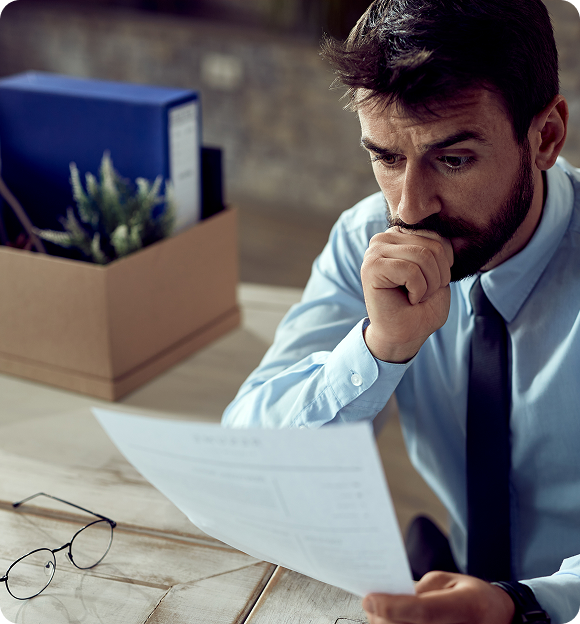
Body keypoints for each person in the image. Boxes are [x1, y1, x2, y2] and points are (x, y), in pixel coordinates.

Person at [222, 0, 580, 622]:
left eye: (454, 159)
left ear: (545, 136)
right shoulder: (366, 236)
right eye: (386, 157)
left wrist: (522, 605)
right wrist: (377, 349)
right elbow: (246, 461)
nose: (409, 209)